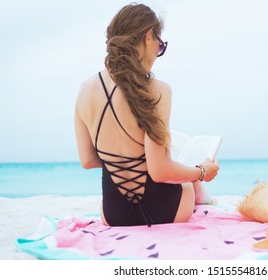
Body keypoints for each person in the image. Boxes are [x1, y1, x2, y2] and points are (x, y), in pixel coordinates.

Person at [74, 3, 219, 227]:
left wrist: (125, 160)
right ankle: (207, 200)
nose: (157, 55)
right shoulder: (158, 90)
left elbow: (87, 160)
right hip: (164, 211)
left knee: (178, 172)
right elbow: (160, 171)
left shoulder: (85, 90)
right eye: (160, 47)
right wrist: (201, 172)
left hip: (113, 215)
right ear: (149, 37)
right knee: (189, 183)